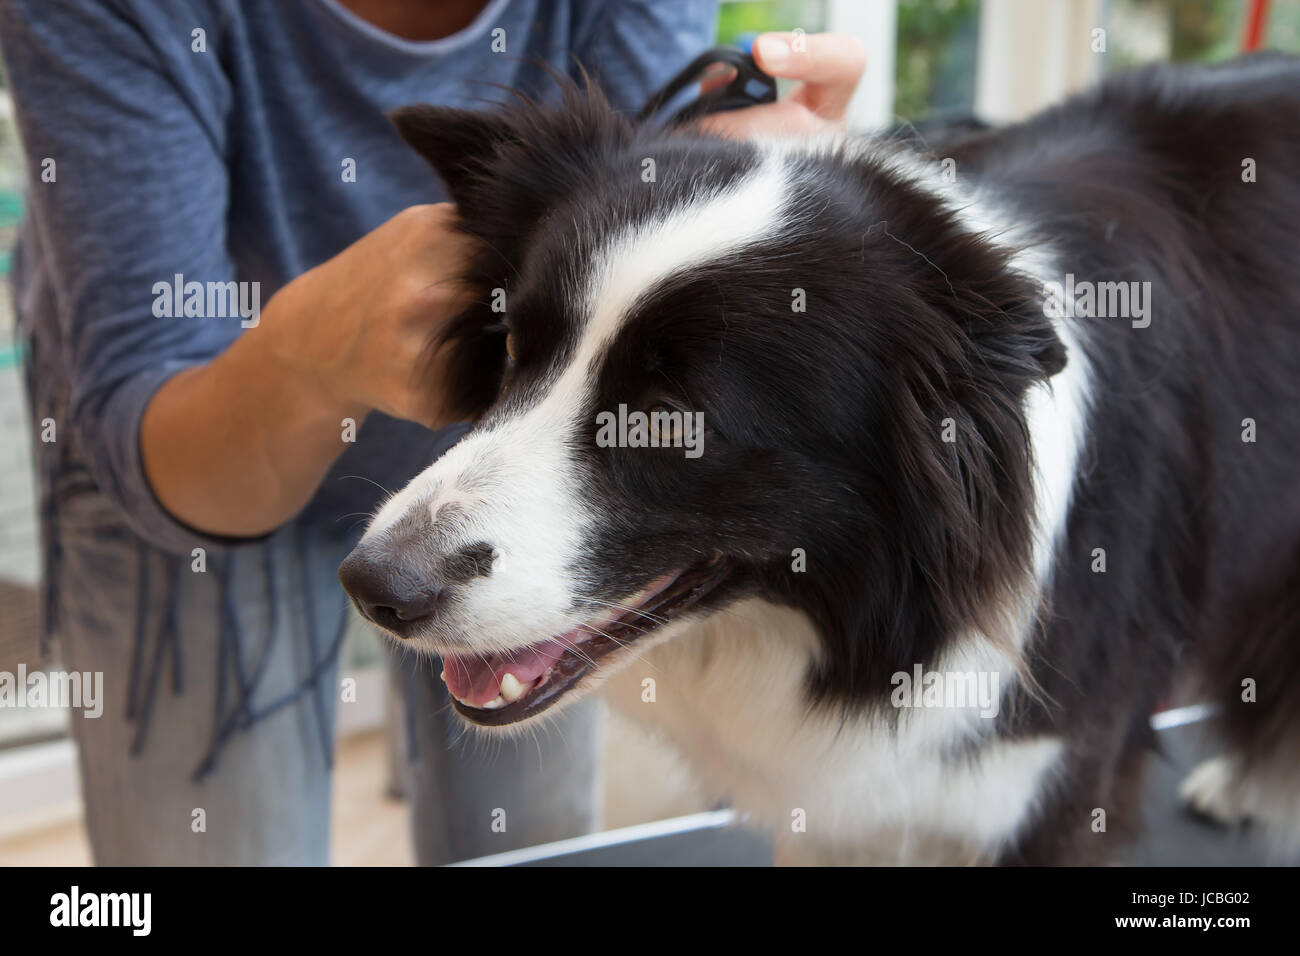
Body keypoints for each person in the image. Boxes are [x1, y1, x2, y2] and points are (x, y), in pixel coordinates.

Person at [0, 0, 865, 865]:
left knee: (524, 838)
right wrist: (309, 355)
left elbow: (651, 233)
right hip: (189, 438)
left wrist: (767, 195)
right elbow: (152, 377)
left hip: (497, 425)